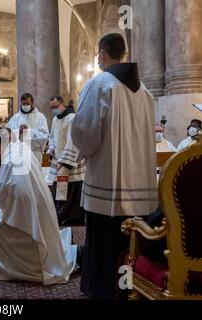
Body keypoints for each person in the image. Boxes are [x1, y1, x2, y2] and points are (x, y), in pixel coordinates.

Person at [71, 33, 158, 299]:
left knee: (105, 244)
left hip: (107, 185)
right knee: (130, 244)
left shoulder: (100, 85)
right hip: (139, 186)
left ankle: (103, 290)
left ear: (102, 53)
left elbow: (85, 132)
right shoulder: (146, 92)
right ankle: (127, 289)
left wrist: (84, 151)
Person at [0, 129, 77, 284]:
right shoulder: (16, 150)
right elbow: (9, 194)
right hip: (33, 215)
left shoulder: (12, 161)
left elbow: (18, 204)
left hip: (27, 225)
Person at [47, 96, 85, 226]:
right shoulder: (55, 120)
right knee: (59, 190)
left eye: (55, 106)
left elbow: (73, 141)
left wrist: (64, 161)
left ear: (62, 104)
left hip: (69, 162)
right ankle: (60, 215)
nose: (53, 110)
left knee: (70, 191)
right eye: (51, 107)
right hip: (59, 161)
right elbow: (52, 137)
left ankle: (71, 217)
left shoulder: (72, 118)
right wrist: (51, 147)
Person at [7, 93, 49, 164]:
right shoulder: (15, 118)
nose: (25, 105)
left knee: (35, 173)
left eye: (27, 103)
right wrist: (19, 131)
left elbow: (44, 136)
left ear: (32, 102)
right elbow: (8, 134)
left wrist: (29, 132)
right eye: (24, 104)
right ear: (21, 102)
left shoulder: (40, 117)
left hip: (35, 152)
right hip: (19, 152)